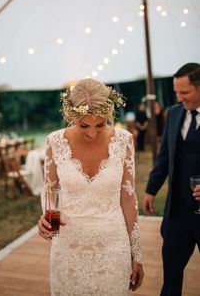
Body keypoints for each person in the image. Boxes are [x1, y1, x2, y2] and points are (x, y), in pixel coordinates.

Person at [38, 78, 144, 295]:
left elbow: (128, 199)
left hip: (113, 248)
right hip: (68, 249)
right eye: (83, 125)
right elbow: (51, 190)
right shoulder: (55, 142)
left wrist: (137, 254)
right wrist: (48, 219)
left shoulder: (123, 140)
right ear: (70, 116)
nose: (92, 133)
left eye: (101, 124)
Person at [142, 63, 200, 296]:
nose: (179, 97)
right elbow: (165, 156)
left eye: (184, 92)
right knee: (171, 278)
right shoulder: (174, 113)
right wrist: (150, 190)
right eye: (177, 92)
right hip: (177, 210)